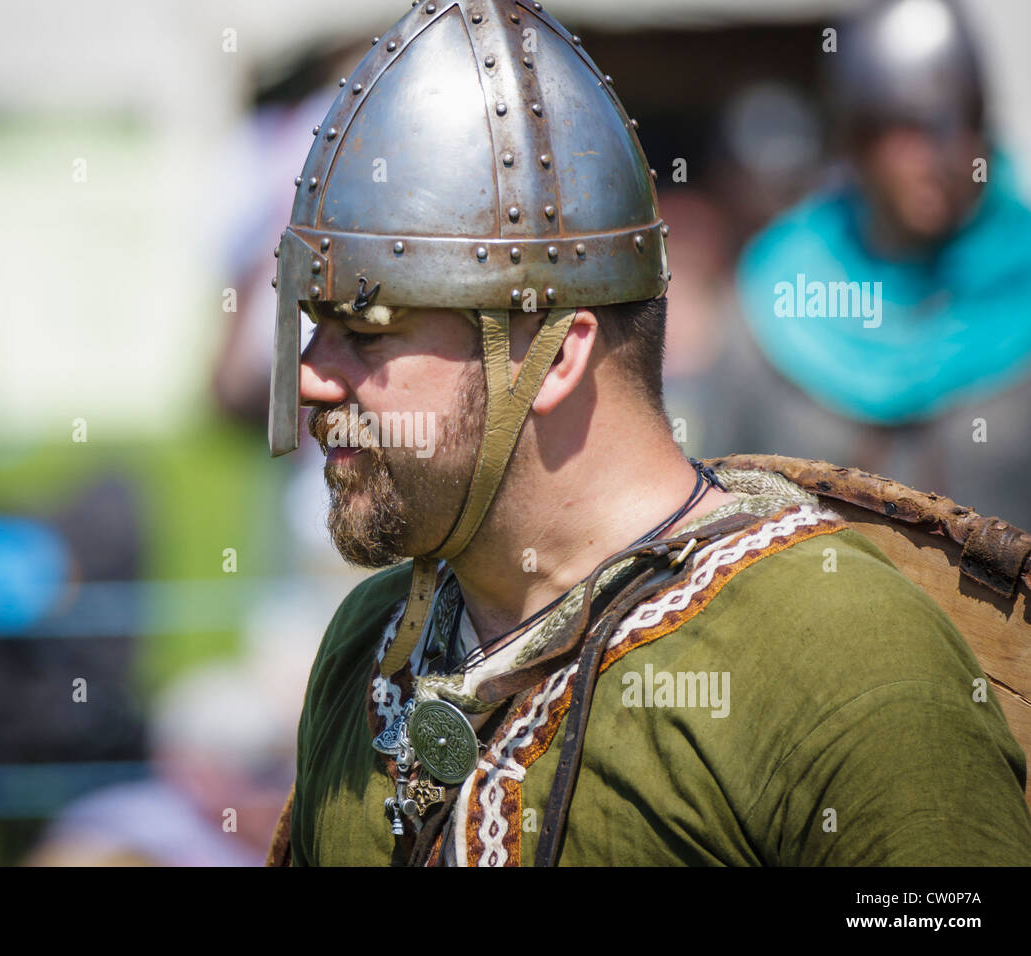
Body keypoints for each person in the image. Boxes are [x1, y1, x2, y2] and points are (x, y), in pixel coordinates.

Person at [259, 0, 1031, 866]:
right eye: (312, 323)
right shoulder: (369, 645)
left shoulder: (847, 666)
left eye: (366, 328)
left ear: (554, 357)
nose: (312, 375)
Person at [736, 0, 1031, 490]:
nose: (940, 157)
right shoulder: (781, 290)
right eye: (907, 129)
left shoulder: (1019, 275)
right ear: (858, 139)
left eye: (961, 123)